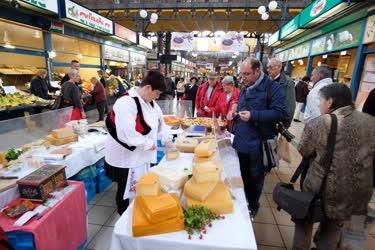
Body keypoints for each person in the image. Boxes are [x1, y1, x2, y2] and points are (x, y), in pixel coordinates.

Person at [293, 84, 374, 249]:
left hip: (323, 186)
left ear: (329, 101)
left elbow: (304, 150)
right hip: (356, 188)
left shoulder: (321, 122)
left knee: (304, 220)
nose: (319, 104)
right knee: (334, 225)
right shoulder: (370, 121)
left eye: (320, 100)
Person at [104, 70, 173, 215]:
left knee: (139, 186)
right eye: (157, 93)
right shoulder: (126, 102)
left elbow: (161, 123)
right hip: (125, 157)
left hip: (141, 156)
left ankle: (138, 212)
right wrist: (148, 144)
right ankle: (124, 218)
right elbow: (127, 134)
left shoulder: (151, 103)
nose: (157, 97)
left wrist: (167, 140)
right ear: (148, 88)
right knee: (125, 189)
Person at [232, 57, 286, 217]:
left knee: (255, 178)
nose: (243, 78)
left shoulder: (273, 88)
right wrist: (235, 111)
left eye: (247, 74)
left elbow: (279, 113)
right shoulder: (245, 86)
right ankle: (241, 203)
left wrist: (254, 115)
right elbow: (243, 107)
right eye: (241, 74)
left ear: (257, 71)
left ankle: (252, 206)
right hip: (241, 140)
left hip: (258, 144)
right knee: (240, 174)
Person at [267, 58, 296, 128]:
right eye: (267, 67)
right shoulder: (267, 79)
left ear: (279, 67)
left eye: (271, 67)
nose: (268, 70)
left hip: (278, 121)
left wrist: (285, 126)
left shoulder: (288, 82)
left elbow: (290, 105)